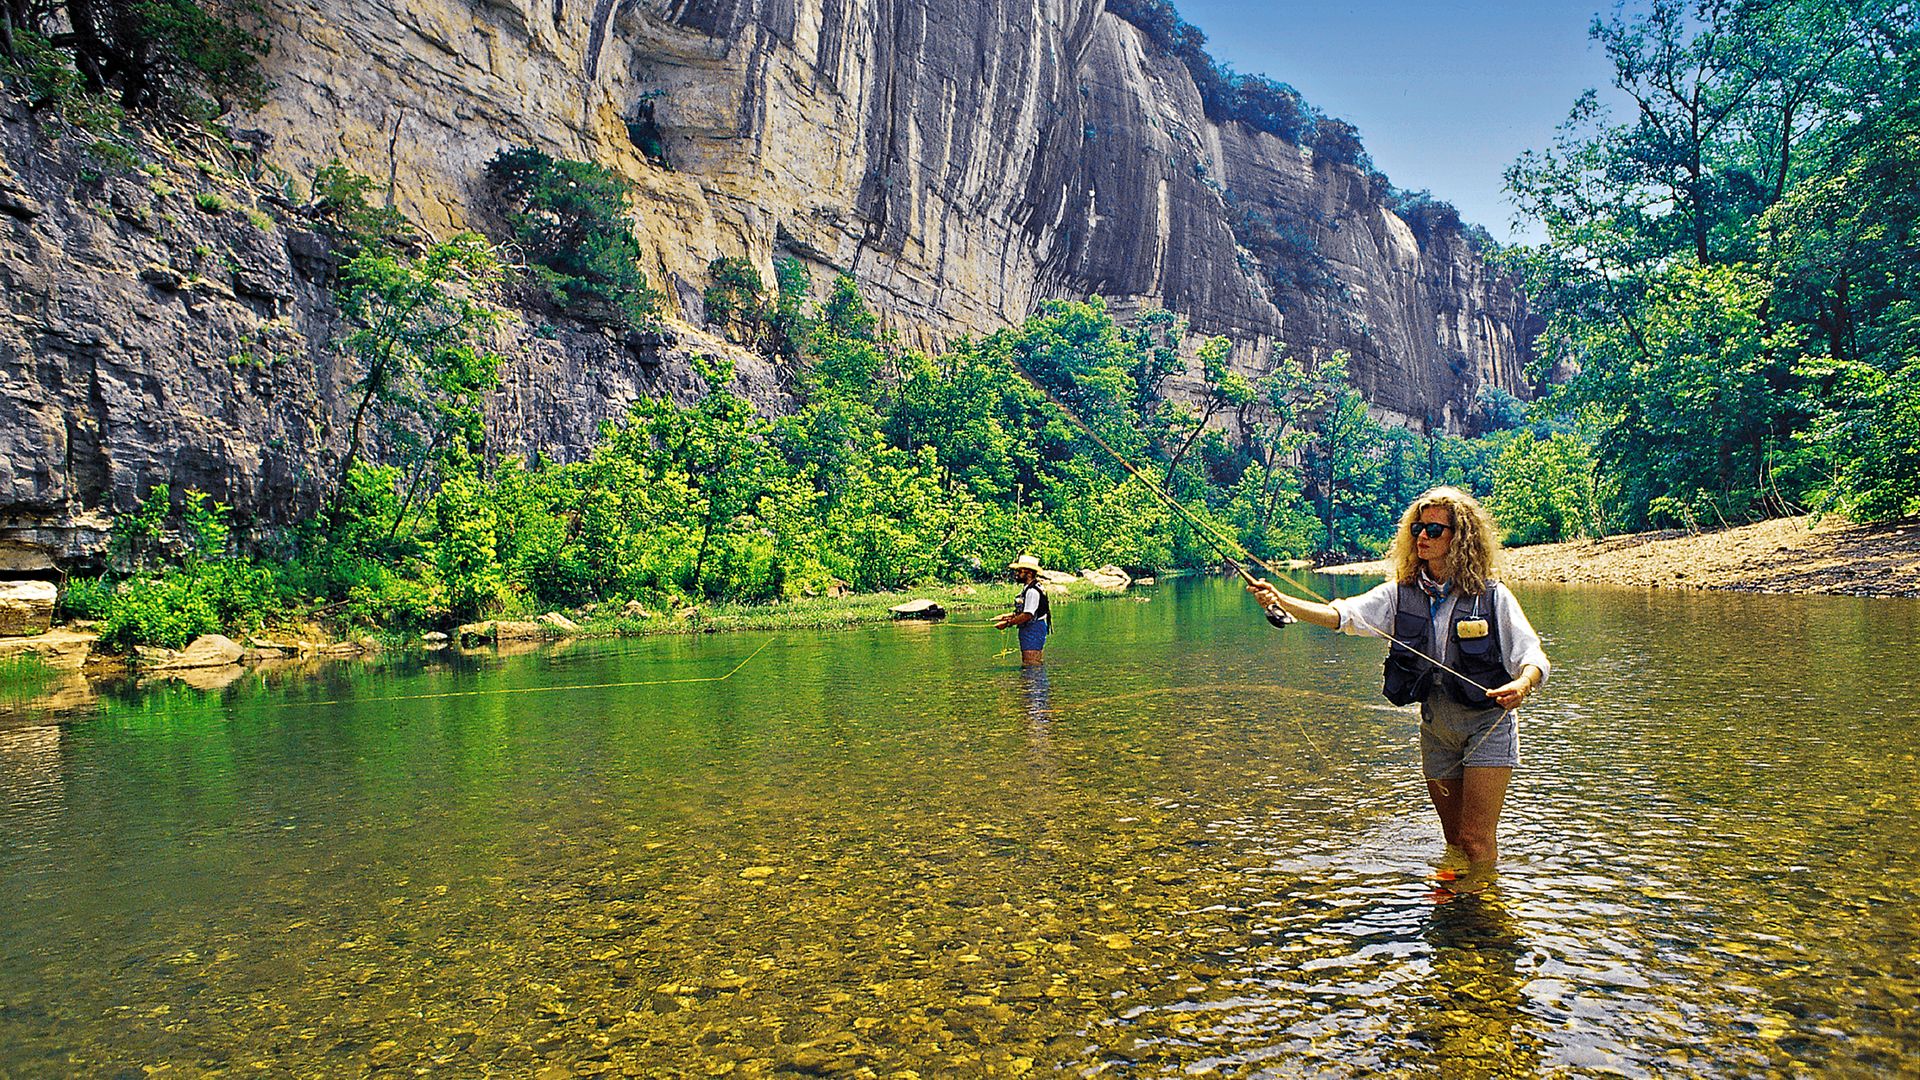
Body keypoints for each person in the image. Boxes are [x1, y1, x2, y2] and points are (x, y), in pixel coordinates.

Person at [1247, 487, 1550, 894]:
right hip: (1436, 729)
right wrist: (1283, 599)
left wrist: (1523, 684)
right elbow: (1342, 615)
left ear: (1460, 537)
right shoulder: (1398, 593)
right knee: (1455, 840)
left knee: (1476, 839)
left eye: (1434, 530)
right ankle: (1456, 900)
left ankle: (1480, 912)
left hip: (1488, 726)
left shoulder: (1492, 596)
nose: (1422, 536)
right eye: (1417, 528)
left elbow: (1531, 654)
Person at [993, 554, 1051, 666]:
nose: (1016, 574)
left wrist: (1007, 623)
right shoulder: (1031, 588)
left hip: (1033, 629)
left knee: (1031, 663)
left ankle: (1032, 683)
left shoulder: (1032, 591)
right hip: (1033, 628)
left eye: (1019, 571)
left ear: (1029, 573)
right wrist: (1007, 616)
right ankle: (1032, 682)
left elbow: (1028, 615)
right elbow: (1026, 610)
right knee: (1032, 663)